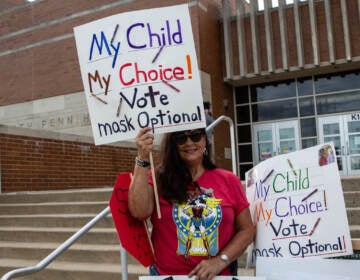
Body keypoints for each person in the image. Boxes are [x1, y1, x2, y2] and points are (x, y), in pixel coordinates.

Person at [128, 127, 255, 279]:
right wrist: (142, 158)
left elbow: (247, 230)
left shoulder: (228, 180)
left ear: (204, 140)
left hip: (219, 276)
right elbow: (139, 211)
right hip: (167, 276)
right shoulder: (157, 179)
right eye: (181, 138)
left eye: (195, 136)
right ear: (173, 144)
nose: (189, 142)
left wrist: (221, 260)